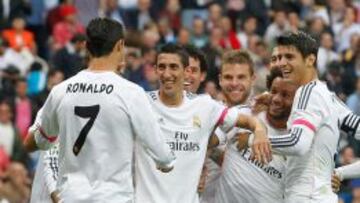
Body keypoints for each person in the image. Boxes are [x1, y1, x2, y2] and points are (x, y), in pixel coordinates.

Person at [23, 18, 175, 202]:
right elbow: (163, 156)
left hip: (72, 196)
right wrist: (165, 163)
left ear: (86, 46)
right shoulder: (131, 93)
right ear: (120, 45)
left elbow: (35, 143)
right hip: (114, 197)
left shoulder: (60, 91)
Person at [134, 43, 271, 203]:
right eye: (162, 67)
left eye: (173, 67)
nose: (167, 73)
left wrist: (259, 131)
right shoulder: (140, 102)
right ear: (155, 69)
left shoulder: (207, 107)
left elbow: (247, 121)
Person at [260, 32, 355, 202]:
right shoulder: (328, 97)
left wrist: (257, 140)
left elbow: (298, 143)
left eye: (289, 56)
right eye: (280, 57)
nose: (282, 63)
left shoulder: (307, 92)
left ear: (310, 60)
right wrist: (339, 173)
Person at [215, 67, 298, 203]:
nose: (276, 99)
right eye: (274, 91)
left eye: (285, 95)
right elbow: (208, 140)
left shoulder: (299, 141)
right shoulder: (245, 113)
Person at [200, 50, 256, 203]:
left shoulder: (263, 116)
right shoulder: (208, 113)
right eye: (228, 77)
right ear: (220, 80)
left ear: (253, 79)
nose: (234, 83)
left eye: (241, 77)